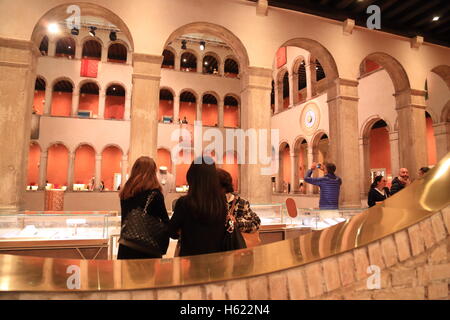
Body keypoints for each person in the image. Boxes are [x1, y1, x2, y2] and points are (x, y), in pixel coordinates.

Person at [168, 156, 228, 257]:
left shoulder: (184, 203)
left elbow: (172, 232)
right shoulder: (220, 202)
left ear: (191, 176)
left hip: (190, 260)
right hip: (216, 259)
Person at [118, 156, 169, 259]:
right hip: (147, 247)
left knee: (126, 275)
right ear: (153, 172)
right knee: (146, 275)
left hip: (126, 245)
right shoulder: (155, 194)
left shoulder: (125, 192)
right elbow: (165, 222)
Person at [216, 168, 261, 234]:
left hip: (234, 242)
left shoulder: (241, 203)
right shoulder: (209, 203)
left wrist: (237, 222)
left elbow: (256, 223)